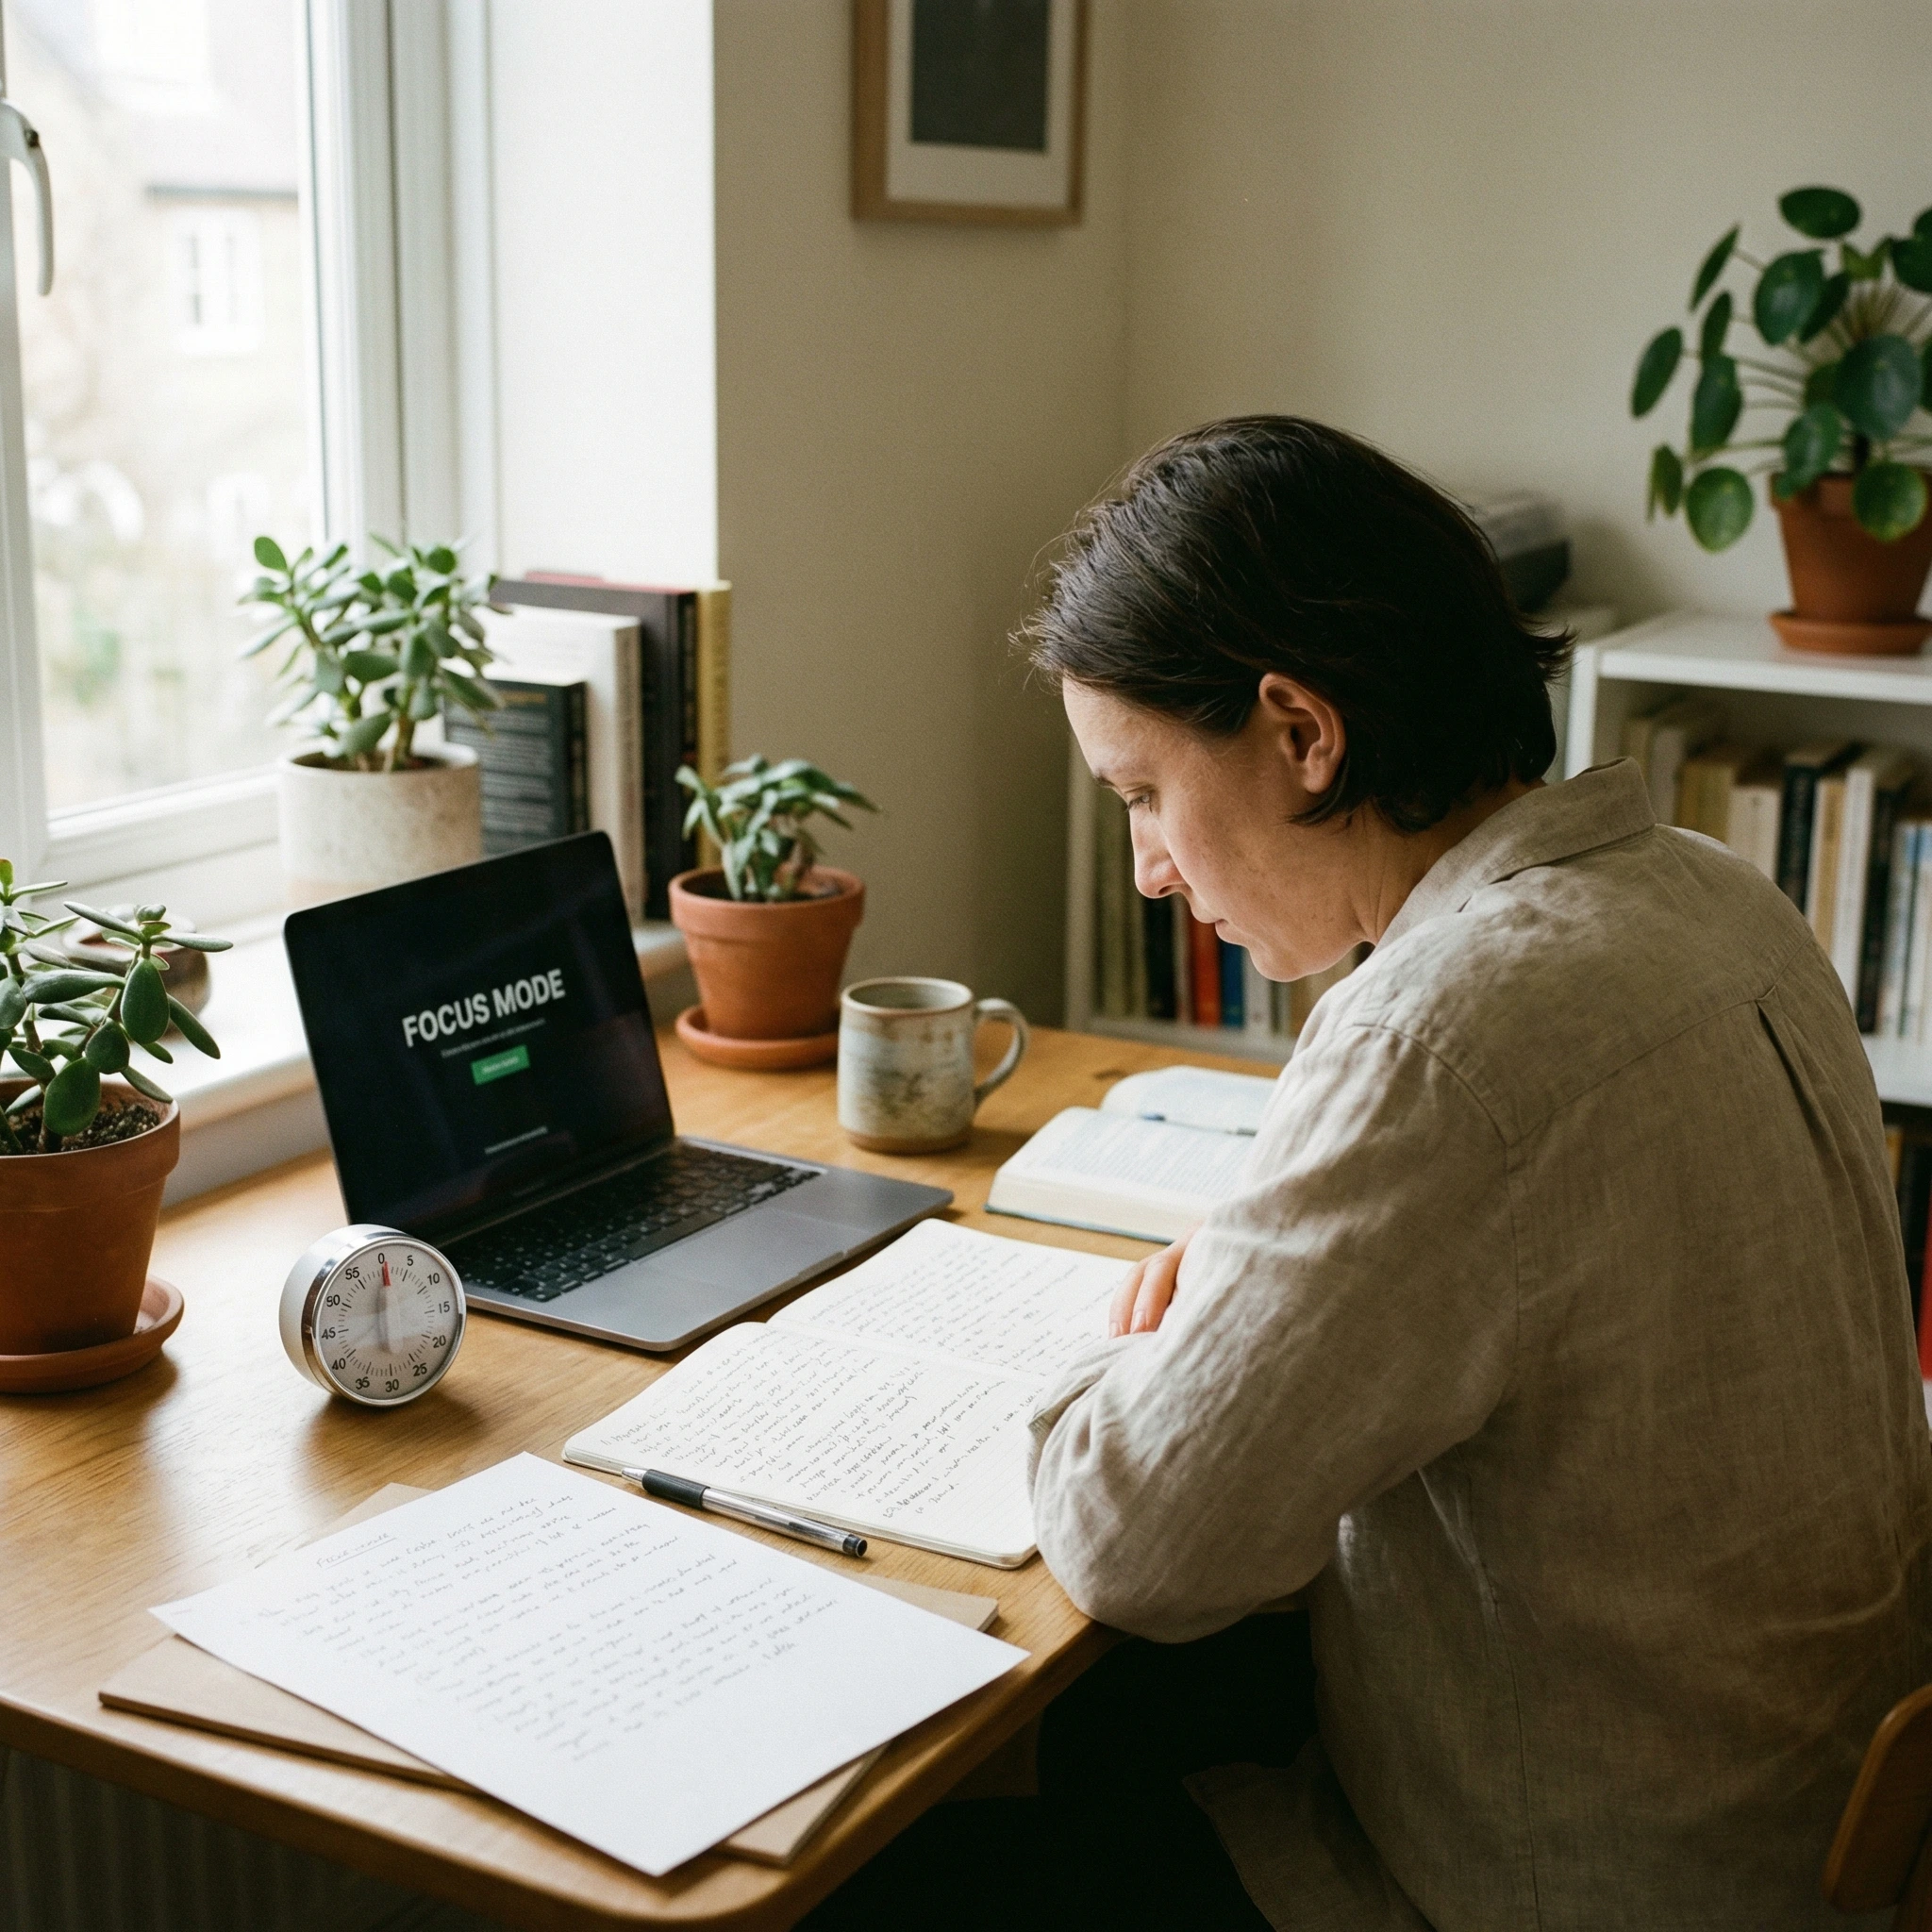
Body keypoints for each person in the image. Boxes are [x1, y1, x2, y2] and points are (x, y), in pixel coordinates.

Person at [805, 416, 1932, 1932]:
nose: (1146, 865)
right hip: (1801, 1828)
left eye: (1142, 791)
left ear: (1303, 733)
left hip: (1580, 1885)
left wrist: (1131, 1356)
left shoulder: (1440, 1036)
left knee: (881, 1871)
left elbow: (1142, 1545)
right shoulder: (1721, 899)